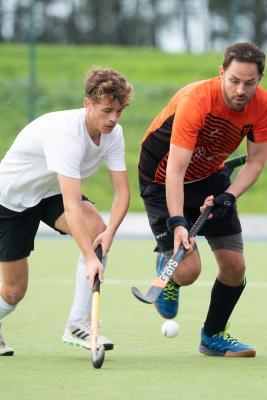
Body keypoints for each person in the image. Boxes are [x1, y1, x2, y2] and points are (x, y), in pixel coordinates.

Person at [138, 42, 267, 357]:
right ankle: (168, 268)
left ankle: (213, 336)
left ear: (260, 79)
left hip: (211, 174)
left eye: (250, 83)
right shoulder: (196, 101)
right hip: (162, 176)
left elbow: (255, 162)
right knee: (188, 271)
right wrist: (178, 223)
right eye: (234, 80)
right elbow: (176, 170)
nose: (241, 89)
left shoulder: (261, 105)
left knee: (235, 267)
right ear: (221, 72)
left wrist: (228, 195)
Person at [0, 67, 132, 356]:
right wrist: (89, 259)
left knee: (96, 230)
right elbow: (72, 206)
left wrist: (109, 233)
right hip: (12, 199)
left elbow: (123, 192)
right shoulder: (66, 134)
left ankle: (78, 323)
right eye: (107, 110)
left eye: (119, 111)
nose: (113, 119)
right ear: (88, 104)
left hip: (50, 191)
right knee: (13, 293)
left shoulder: (114, 133)